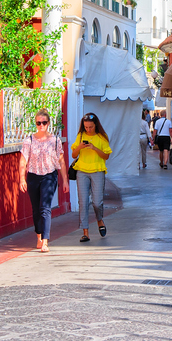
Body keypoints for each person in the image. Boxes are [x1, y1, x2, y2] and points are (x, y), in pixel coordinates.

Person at [19, 108, 68, 253]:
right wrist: (22, 178)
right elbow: (23, 161)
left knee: (45, 207)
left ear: (48, 123)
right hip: (33, 176)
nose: (41, 126)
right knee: (36, 209)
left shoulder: (55, 140)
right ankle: (39, 235)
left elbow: (61, 161)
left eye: (44, 123)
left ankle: (45, 241)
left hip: (49, 175)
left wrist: (65, 180)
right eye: (38, 123)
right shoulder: (29, 140)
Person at [71, 112, 112, 242]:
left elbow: (106, 156)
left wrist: (94, 148)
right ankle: (85, 232)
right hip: (82, 171)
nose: (88, 129)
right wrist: (79, 147)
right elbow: (73, 155)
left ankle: (99, 219)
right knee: (83, 202)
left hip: (97, 170)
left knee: (97, 202)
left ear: (96, 125)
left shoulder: (102, 137)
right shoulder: (80, 136)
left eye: (90, 127)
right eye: (86, 127)